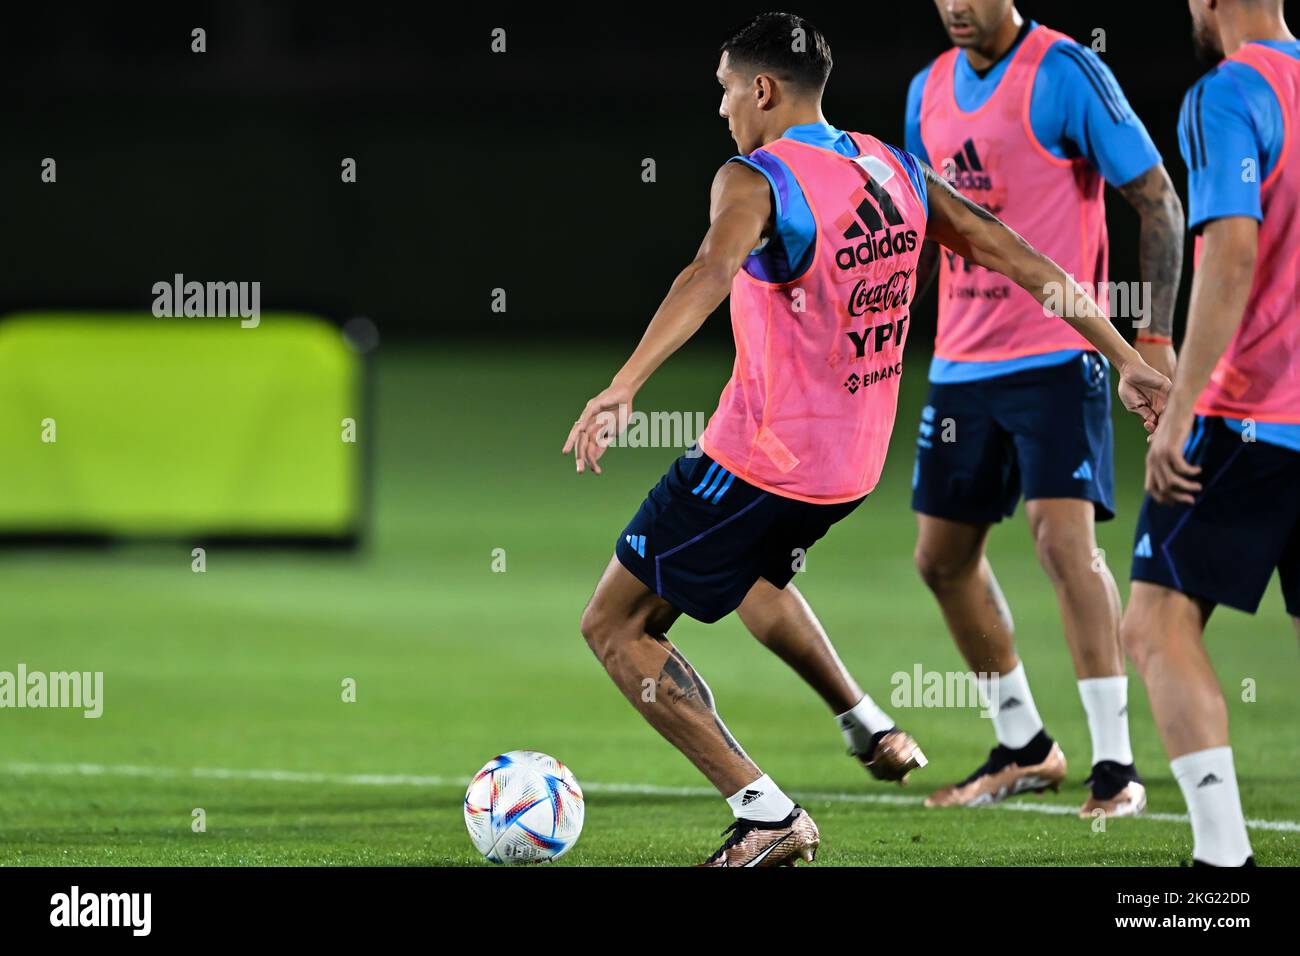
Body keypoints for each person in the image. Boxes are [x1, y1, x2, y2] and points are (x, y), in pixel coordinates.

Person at [563, 12, 1169, 867]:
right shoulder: (893, 165)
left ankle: (763, 810)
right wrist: (1123, 356)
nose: (724, 107)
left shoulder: (755, 176)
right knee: (750, 576)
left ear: (764, 90)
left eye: (728, 90)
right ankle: (866, 720)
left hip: (759, 461)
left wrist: (623, 384)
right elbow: (1020, 256)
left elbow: (708, 271)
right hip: (848, 470)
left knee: (615, 625)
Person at [1122, 0, 1299, 868]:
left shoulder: (1227, 93)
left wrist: (1185, 406)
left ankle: (1223, 866)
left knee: (1155, 622)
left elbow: (1231, 252)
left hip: (1253, 414)